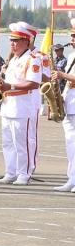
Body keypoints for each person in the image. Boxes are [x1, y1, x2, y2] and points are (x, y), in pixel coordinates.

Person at [0, 22, 45, 186]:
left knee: (22, 142)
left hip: (22, 105)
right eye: (11, 40)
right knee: (7, 142)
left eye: (16, 40)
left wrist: (11, 86)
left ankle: (24, 173)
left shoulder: (33, 60)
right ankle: (10, 172)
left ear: (26, 42)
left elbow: (34, 83)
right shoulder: (13, 60)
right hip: (8, 104)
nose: (12, 44)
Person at [52, 26, 75, 193]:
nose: (72, 40)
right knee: (71, 144)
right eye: (72, 36)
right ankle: (72, 178)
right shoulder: (73, 55)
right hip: (69, 101)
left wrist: (62, 75)